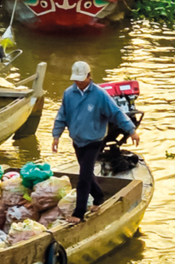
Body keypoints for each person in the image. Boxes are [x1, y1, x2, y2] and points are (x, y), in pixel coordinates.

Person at [51, 61, 136, 221]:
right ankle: (98, 197)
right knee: (87, 172)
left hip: (94, 140)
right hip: (78, 140)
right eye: (76, 79)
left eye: (81, 79)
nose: (78, 82)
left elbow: (116, 113)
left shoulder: (100, 95)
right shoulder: (68, 94)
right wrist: (56, 136)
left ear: (89, 76)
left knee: (83, 176)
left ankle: (79, 212)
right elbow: (62, 115)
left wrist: (131, 130)